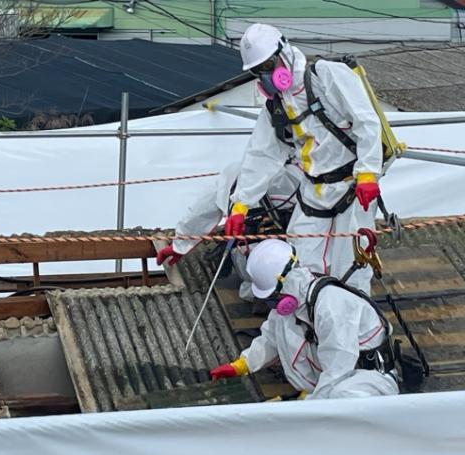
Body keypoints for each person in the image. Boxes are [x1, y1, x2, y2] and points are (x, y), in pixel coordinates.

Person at [224, 23, 382, 294]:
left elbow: (366, 121)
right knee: (300, 263)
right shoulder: (276, 106)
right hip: (313, 190)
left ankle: (354, 315)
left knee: (352, 265)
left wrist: (368, 172)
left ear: (284, 53)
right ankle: (312, 315)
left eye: (269, 65)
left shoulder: (326, 75)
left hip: (352, 187)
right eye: (258, 70)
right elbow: (261, 155)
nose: (266, 75)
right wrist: (241, 205)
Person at [210, 239, 399, 400]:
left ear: (285, 284)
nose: (272, 306)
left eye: (272, 299)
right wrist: (242, 365)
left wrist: (309, 406)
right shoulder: (297, 302)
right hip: (340, 375)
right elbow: (271, 339)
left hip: (369, 379)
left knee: (339, 400)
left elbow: (338, 369)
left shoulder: (331, 306)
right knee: (284, 327)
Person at [156, 161, 300, 301]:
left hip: (280, 253)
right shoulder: (289, 176)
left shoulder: (288, 179)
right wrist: (179, 245)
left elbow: (202, 211)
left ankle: (272, 294)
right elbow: (203, 211)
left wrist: (180, 245)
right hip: (260, 255)